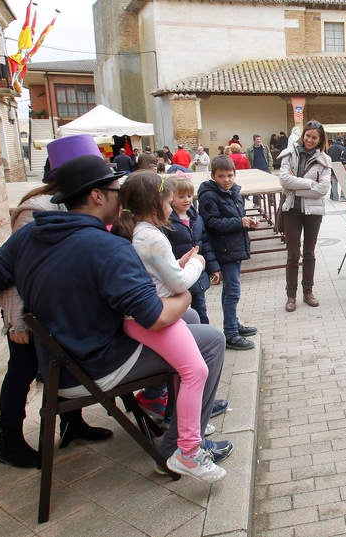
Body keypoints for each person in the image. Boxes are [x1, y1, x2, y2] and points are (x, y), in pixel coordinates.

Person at [0, 154, 228, 475]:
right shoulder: (106, 246)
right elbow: (155, 317)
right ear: (97, 196)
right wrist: (184, 292)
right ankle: (181, 449)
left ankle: (165, 409)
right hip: (97, 365)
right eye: (116, 190)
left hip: (60, 365)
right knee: (211, 340)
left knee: (192, 323)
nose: (122, 197)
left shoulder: (30, 236)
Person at [0, 135, 113, 468]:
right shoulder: (35, 212)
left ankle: (73, 423)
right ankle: (10, 440)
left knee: (62, 365)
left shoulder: (74, 205)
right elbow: (16, 267)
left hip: (55, 308)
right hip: (28, 312)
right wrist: (16, 320)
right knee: (23, 371)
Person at [112, 171, 224, 482]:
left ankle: (185, 424)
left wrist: (181, 263)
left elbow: (166, 272)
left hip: (144, 318)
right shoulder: (151, 236)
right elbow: (178, 283)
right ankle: (187, 452)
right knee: (196, 371)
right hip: (155, 320)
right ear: (157, 202)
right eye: (167, 198)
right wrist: (197, 265)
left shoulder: (140, 232)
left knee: (189, 359)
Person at [198, 155, 258, 350]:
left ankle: (233, 323)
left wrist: (247, 223)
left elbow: (235, 218)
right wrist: (239, 223)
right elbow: (211, 223)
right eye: (221, 176)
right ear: (213, 175)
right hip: (224, 248)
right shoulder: (209, 195)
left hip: (235, 245)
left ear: (235, 174)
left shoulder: (233, 192)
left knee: (231, 290)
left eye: (230, 175)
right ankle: (230, 332)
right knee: (232, 291)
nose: (226, 180)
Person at [278, 120, 331, 312]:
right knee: (293, 254)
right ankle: (291, 296)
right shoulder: (289, 153)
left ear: (320, 140)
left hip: (313, 213)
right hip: (292, 210)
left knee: (309, 253)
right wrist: (310, 184)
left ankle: (308, 292)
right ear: (303, 135)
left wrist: (295, 187)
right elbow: (284, 179)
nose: (310, 139)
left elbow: (324, 189)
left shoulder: (324, 160)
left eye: (314, 137)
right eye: (308, 135)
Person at [162, 175, 219, 324]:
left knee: (201, 309)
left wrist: (213, 267)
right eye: (181, 196)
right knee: (184, 313)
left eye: (189, 196)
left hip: (198, 274)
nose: (187, 200)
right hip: (179, 275)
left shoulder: (197, 218)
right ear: (170, 198)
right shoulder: (167, 222)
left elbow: (205, 244)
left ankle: (204, 336)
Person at [327, 137, 346, 201]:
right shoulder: (343, 148)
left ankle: (335, 197)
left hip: (332, 167)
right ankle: (343, 197)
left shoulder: (330, 148)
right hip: (341, 168)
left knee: (334, 183)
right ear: (341, 141)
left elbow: (327, 158)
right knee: (343, 183)